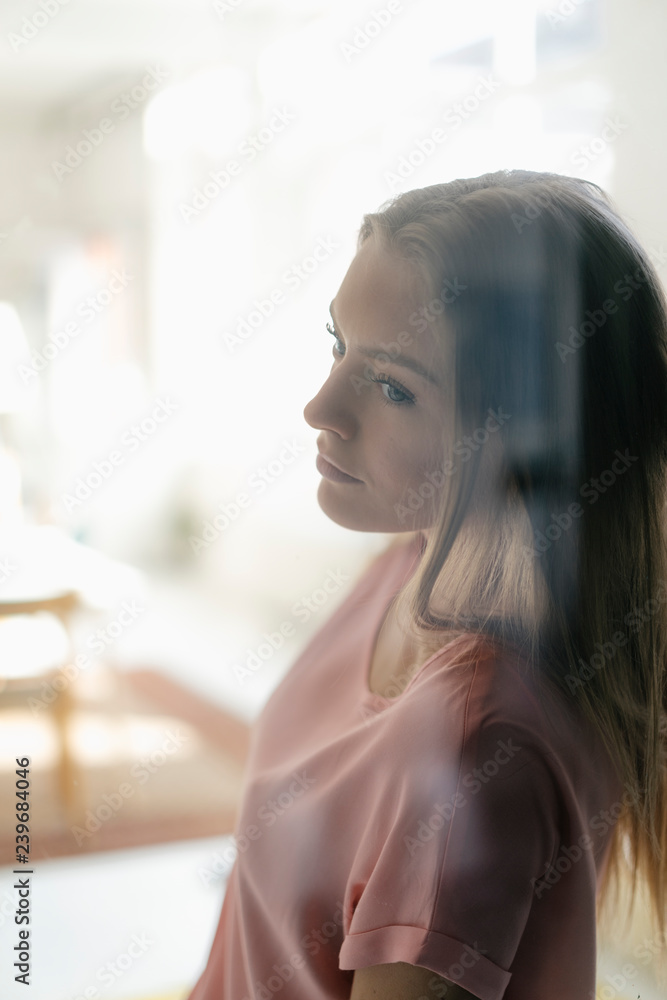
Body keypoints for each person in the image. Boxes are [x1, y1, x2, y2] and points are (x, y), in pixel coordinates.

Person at [186, 169, 667, 999]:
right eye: (337, 346)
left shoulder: (474, 752)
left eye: (393, 387)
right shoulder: (406, 565)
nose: (319, 408)